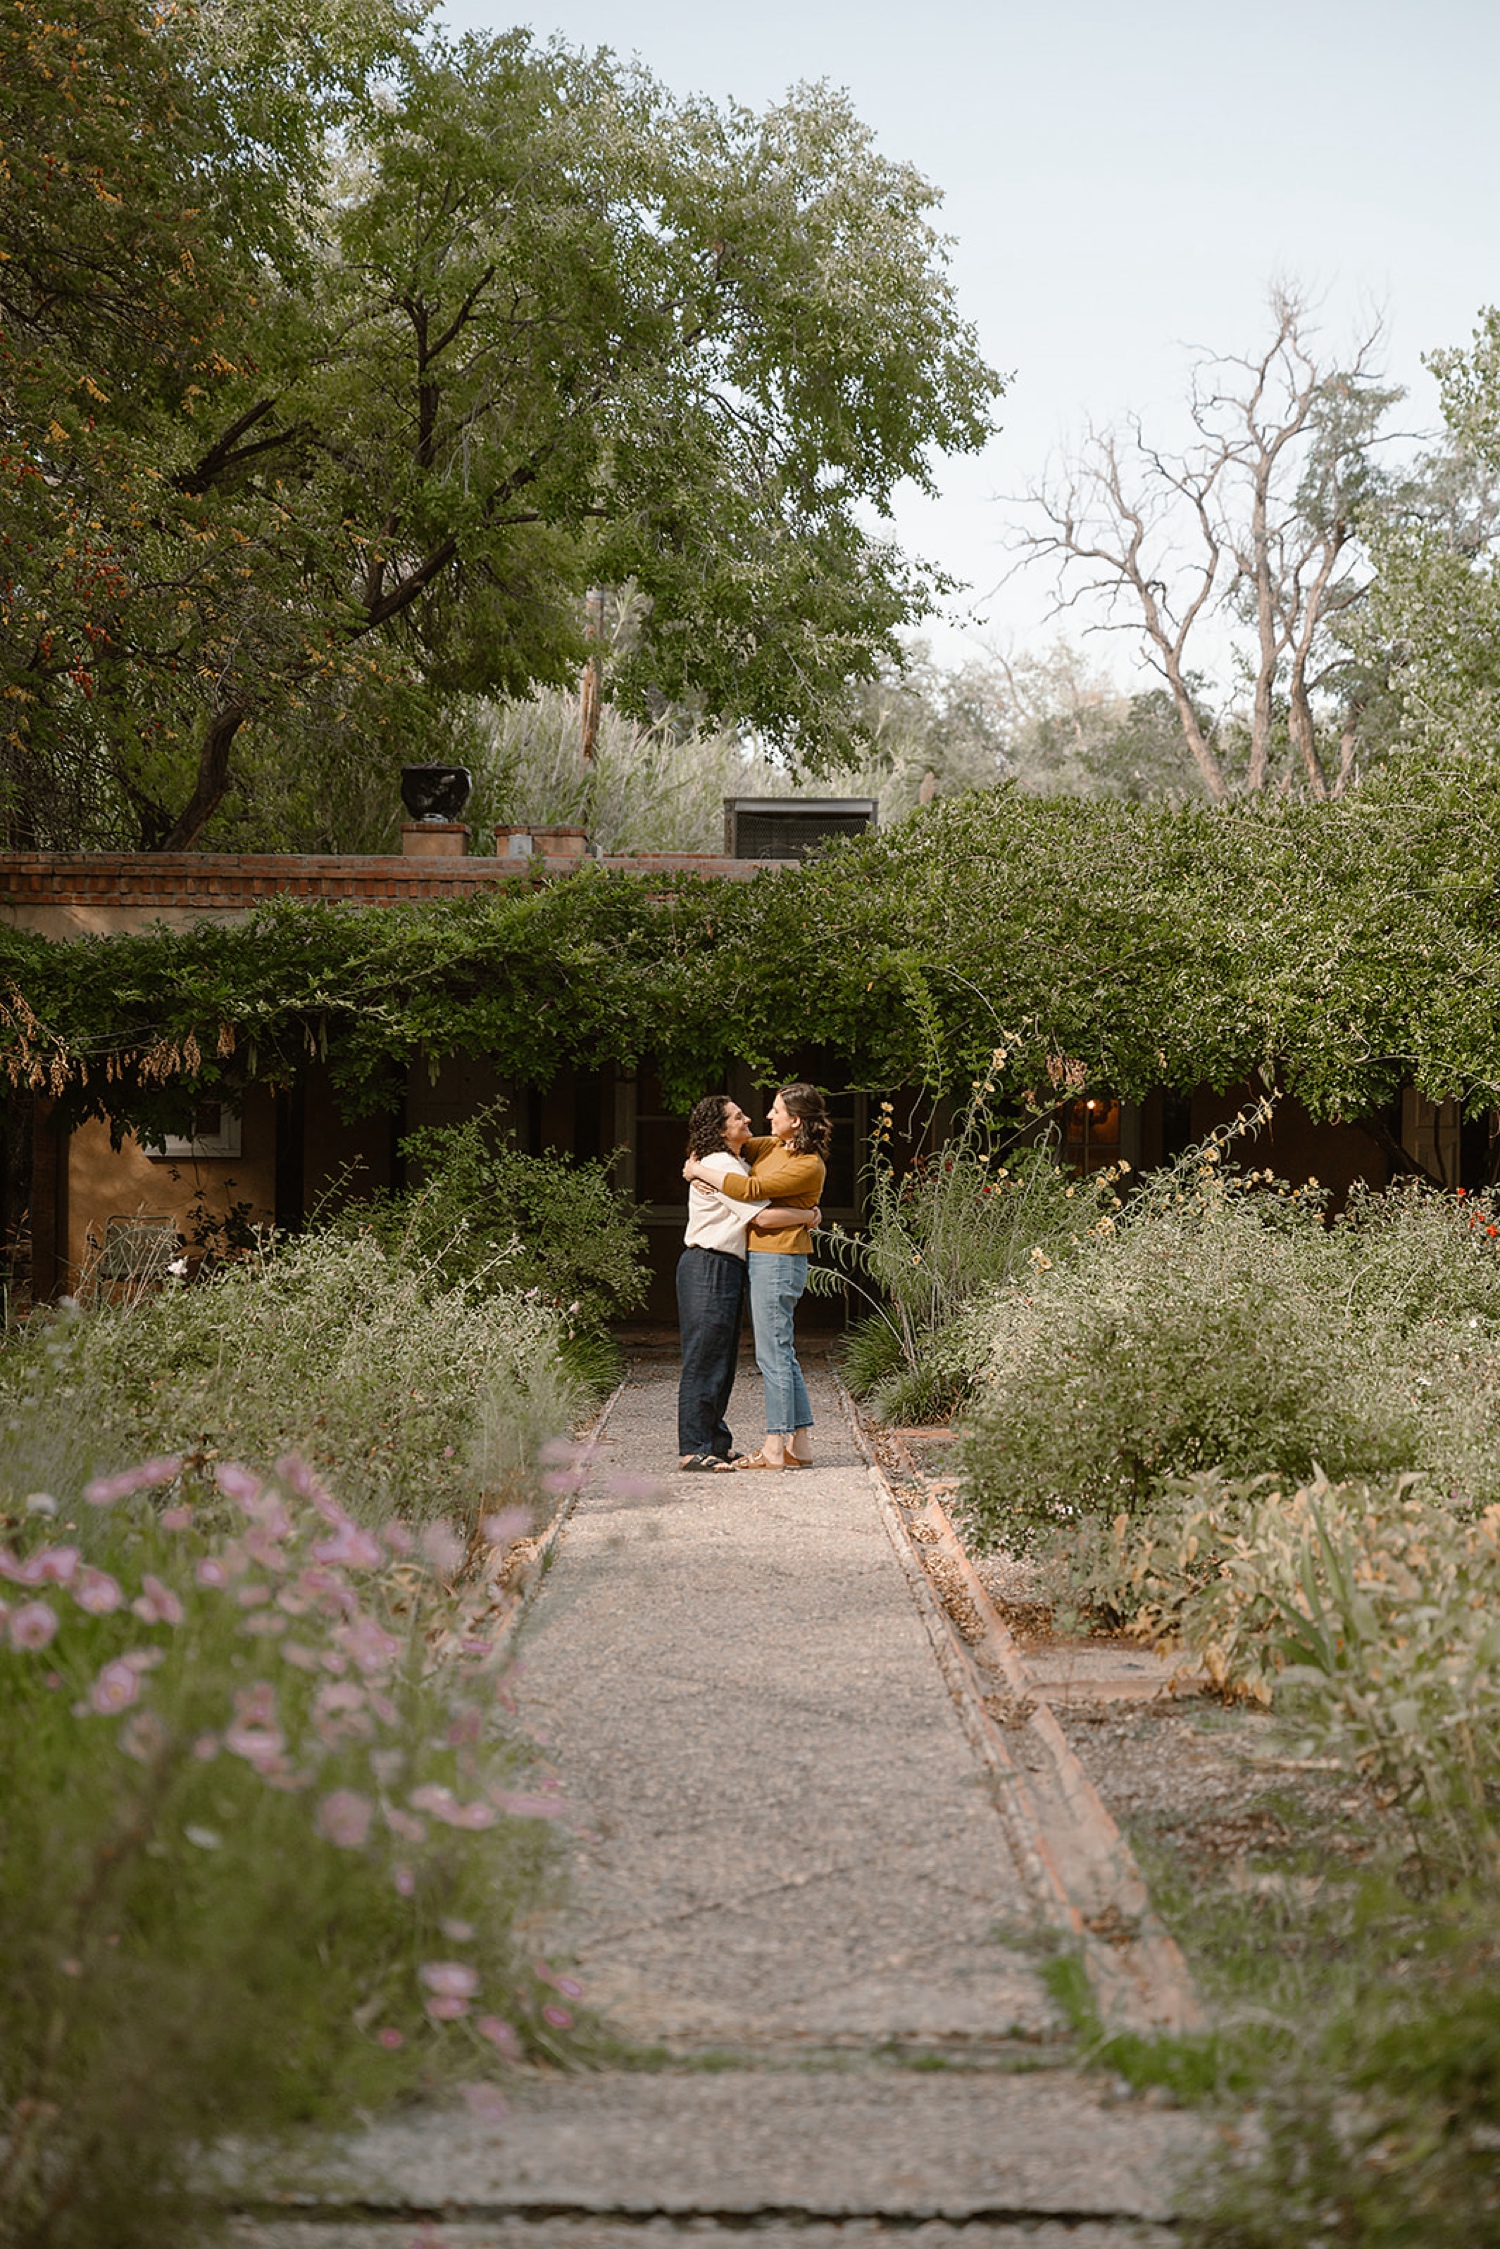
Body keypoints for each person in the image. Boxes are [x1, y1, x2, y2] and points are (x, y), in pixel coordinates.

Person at [683, 1082, 830, 1471]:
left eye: (776, 1111)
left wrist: (699, 1170)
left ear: (796, 1120)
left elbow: (751, 1189)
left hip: (778, 1258)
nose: (765, 1117)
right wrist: (693, 1163)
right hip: (763, 1256)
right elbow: (720, 1142)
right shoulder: (773, 1147)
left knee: (773, 1354)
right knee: (782, 1351)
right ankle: (799, 1444)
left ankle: (774, 1447)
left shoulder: (807, 1164)